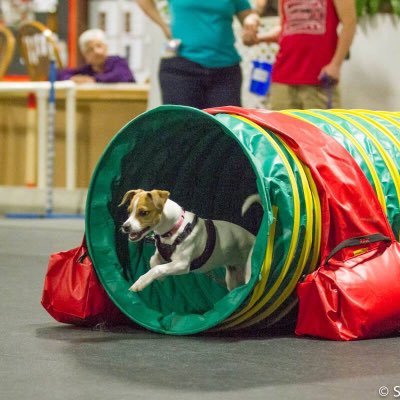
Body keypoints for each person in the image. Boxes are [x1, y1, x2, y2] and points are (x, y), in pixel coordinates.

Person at [136, 0, 259, 108]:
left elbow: (248, 16)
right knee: (182, 129)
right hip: (181, 67)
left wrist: (251, 22)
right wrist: (164, 26)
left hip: (225, 70)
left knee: (225, 129)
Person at [255, 0, 357, 109]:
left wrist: (336, 64)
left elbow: (349, 23)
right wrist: (258, 38)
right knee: (279, 125)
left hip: (319, 78)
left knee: (320, 125)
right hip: (283, 75)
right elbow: (286, 27)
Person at [57, 29, 135, 83]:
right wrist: (72, 79)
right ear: (85, 55)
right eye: (90, 49)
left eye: (99, 46)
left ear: (106, 47)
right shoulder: (88, 70)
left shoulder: (118, 62)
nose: (96, 52)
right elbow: (61, 75)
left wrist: (93, 80)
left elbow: (120, 76)